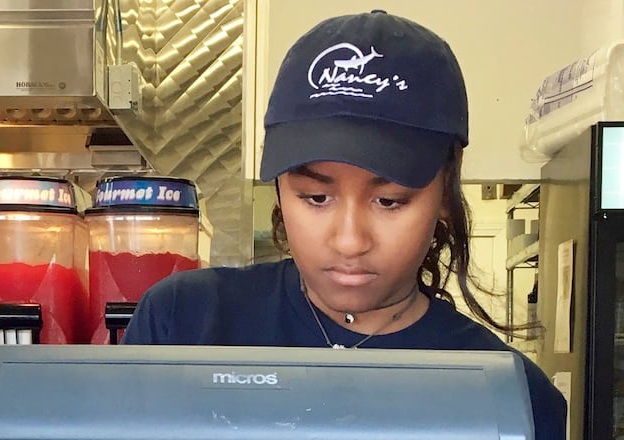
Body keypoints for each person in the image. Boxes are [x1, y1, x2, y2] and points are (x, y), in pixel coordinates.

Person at [122, 9, 567, 439]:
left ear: (446, 193)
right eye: (316, 197)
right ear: (279, 190)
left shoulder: (512, 398)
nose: (350, 241)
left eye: (390, 201)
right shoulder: (184, 325)